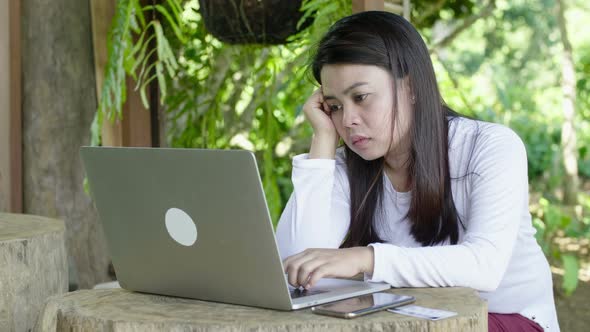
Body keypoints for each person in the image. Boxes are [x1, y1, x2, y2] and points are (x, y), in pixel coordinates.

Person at [275, 11, 559, 332]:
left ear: (409, 87)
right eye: (335, 106)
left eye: (361, 97)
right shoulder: (345, 166)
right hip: (408, 320)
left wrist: (367, 259)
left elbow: (485, 267)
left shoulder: (490, 146)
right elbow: (296, 266)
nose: (348, 119)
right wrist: (322, 141)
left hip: (506, 318)